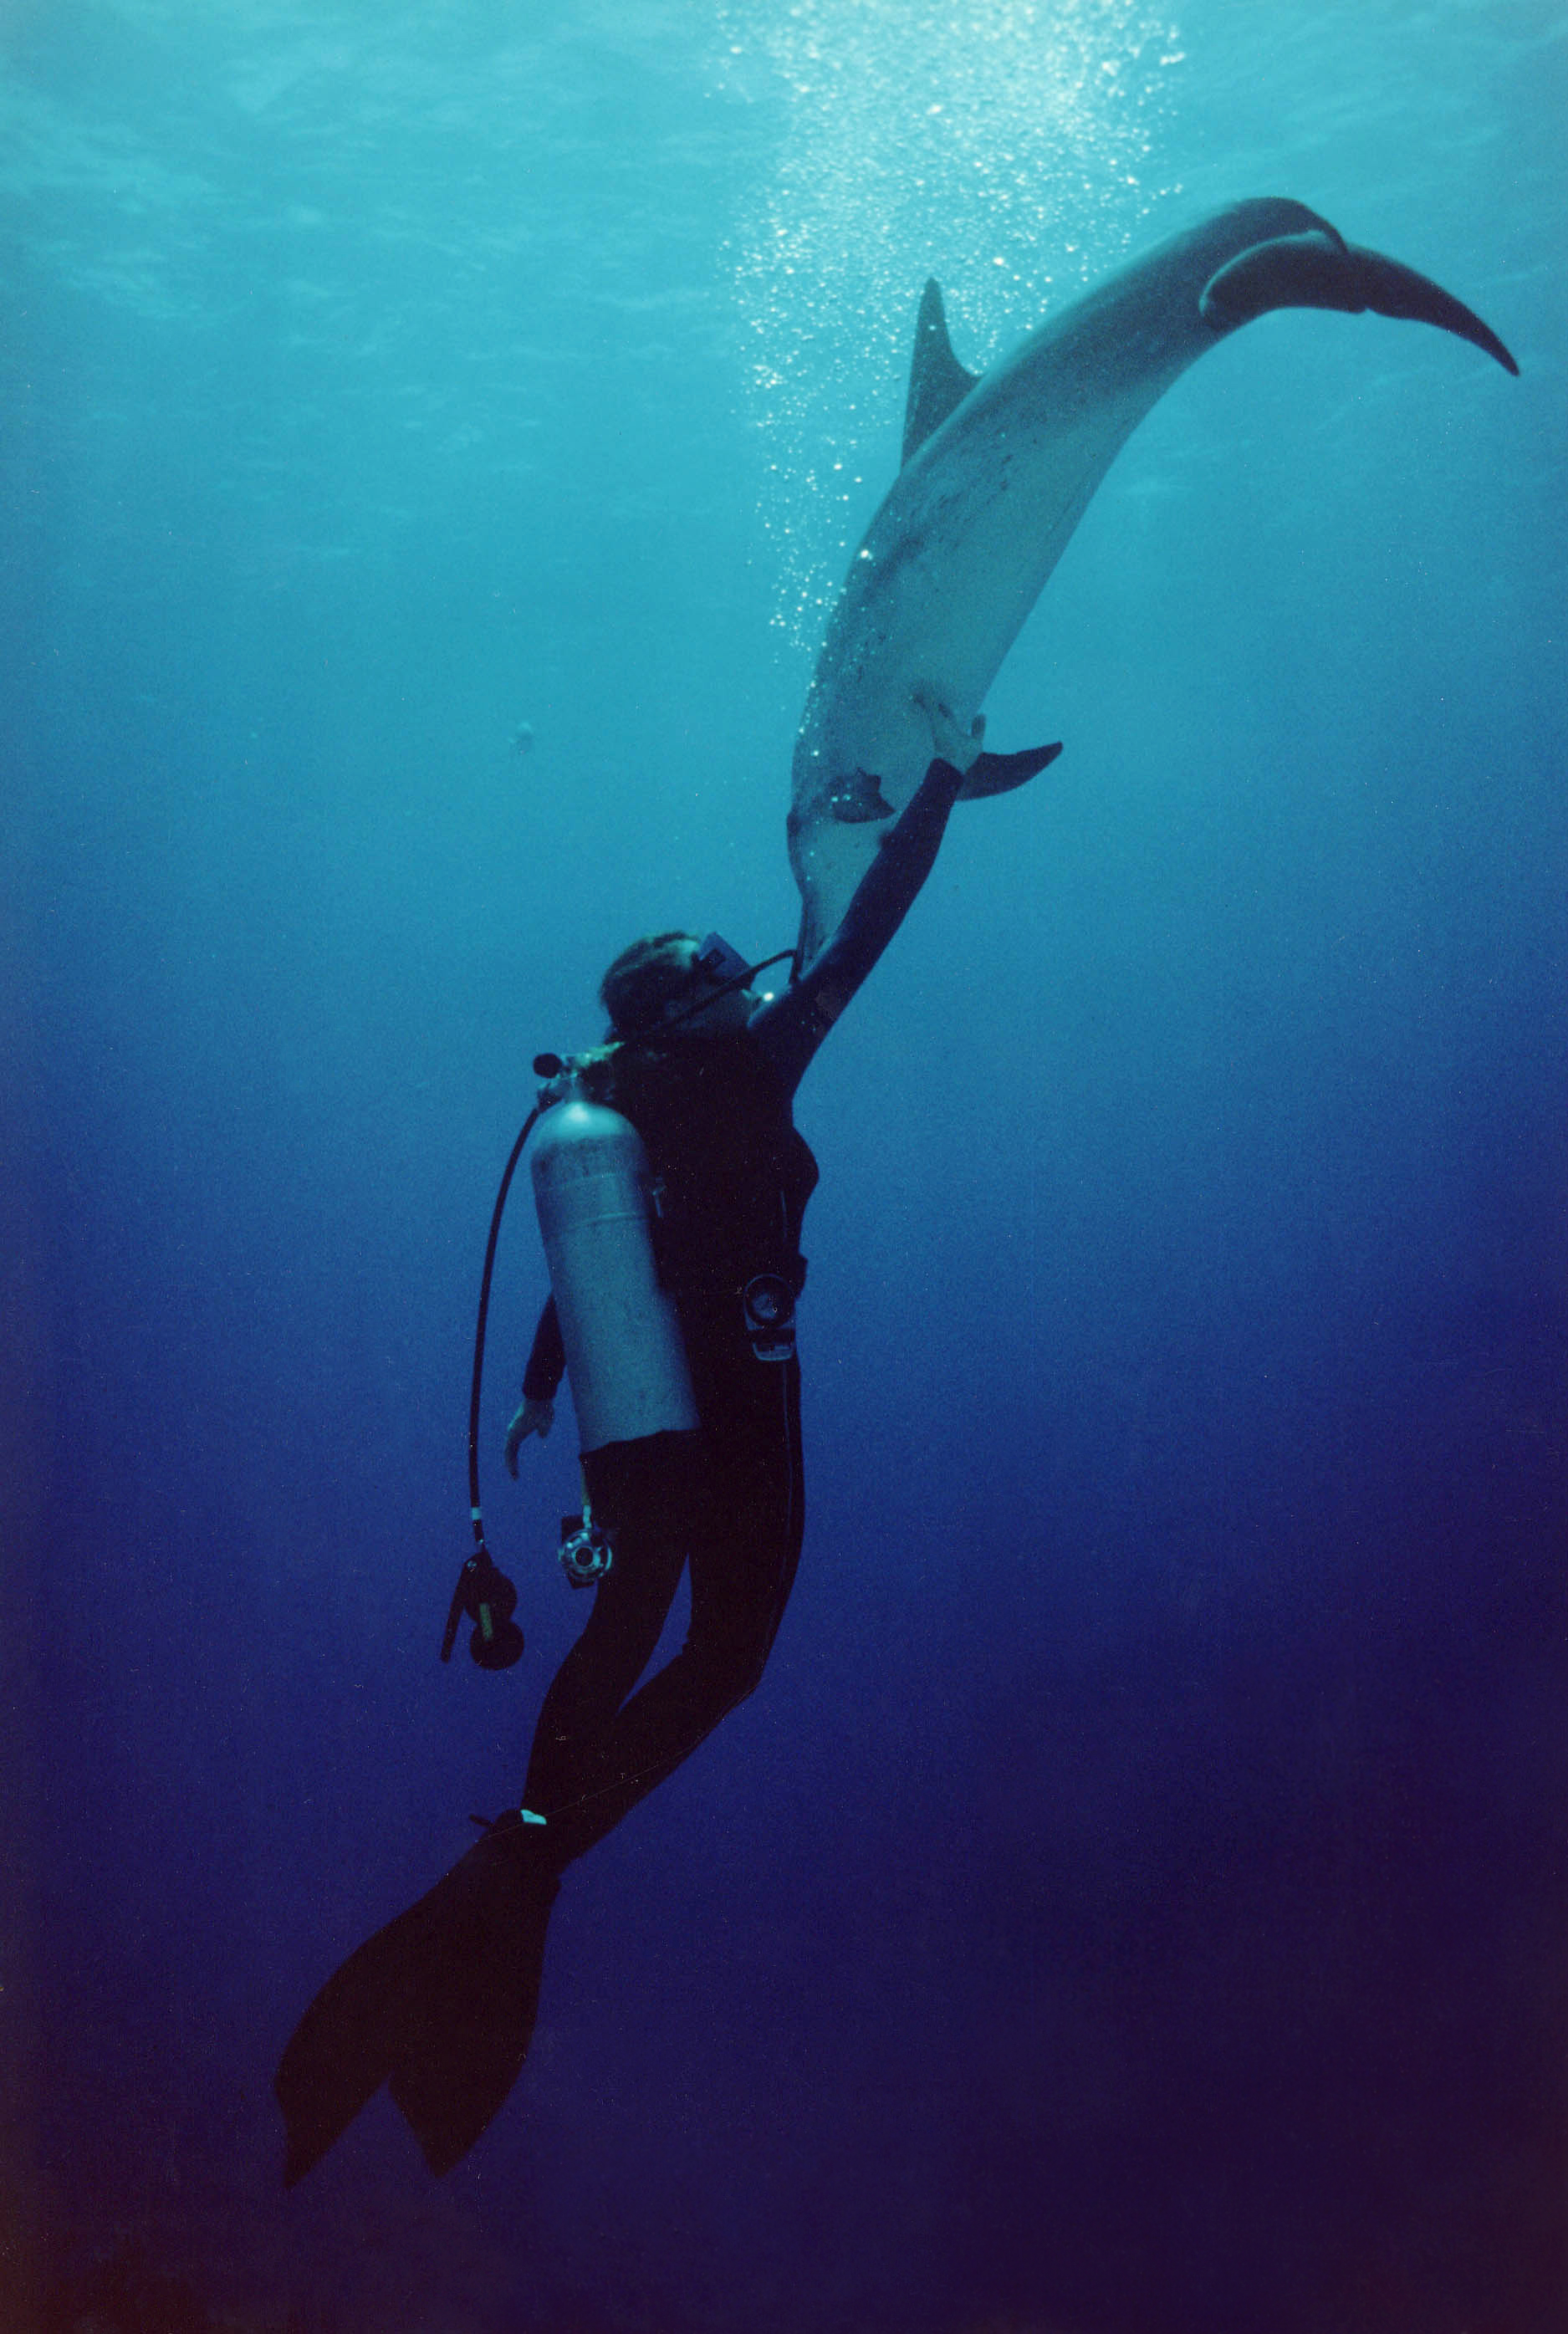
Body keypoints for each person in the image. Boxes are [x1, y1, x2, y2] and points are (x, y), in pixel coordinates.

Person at [276, 696, 1055, 2183]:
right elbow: (870, 922)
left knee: (633, 1615)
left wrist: (538, 1386)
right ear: (703, 1002)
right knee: (730, 1656)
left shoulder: (611, 1105)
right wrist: (943, 780)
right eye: (725, 982)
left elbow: (598, 1250)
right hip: (747, 1413)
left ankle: (530, 1836)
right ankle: (534, 1852)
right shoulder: (757, 1066)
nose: (751, 995)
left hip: (637, 1427)